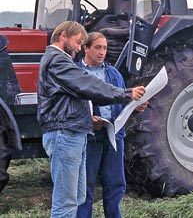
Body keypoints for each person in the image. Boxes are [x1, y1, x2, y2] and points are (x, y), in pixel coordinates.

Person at [38, 21, 145, 218]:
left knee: (77, 198)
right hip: (65, 134)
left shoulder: (63, 61)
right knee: (66, 203)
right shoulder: (57, 60)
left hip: (74, 133)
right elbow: (86, 84)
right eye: (78, 43)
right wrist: (126, 93)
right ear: (63, 36)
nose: (79, 48)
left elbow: (79, 93)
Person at [76, 32, 147, 218]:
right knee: (85, 184)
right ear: (86, 48)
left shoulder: (113, 73)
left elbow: (122, 99)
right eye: (97, 47)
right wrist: (88, 119)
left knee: (116, 183)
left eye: (105, 48)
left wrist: (136, 106)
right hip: (90, 137)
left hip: (114, 135)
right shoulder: (76, 73)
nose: (102, 52)